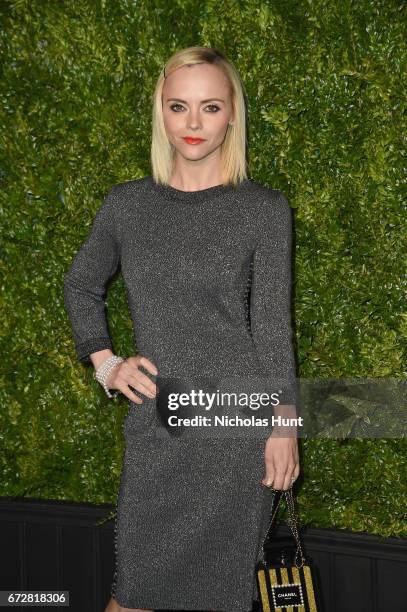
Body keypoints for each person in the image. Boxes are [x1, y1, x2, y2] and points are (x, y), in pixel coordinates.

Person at [63, 46, 300, 612]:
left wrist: (284, 426)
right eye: (179, 106)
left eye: (211, 107)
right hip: (160, 424)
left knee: (222, 597)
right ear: (161, 112)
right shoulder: (127, 205)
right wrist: (106, 364)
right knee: (133, 595)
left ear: (233, 115)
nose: (193, 123)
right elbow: (80, 287)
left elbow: (271, 326)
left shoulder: (264, 209)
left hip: (238, 428)